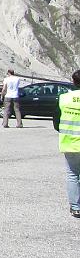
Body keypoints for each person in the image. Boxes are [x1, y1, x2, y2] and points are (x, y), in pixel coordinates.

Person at [52, 70, 80, 219]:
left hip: (70, 142)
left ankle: (76, 207)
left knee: (72, 174)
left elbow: (56, 121)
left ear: (73, 81)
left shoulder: (64, 98)